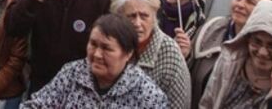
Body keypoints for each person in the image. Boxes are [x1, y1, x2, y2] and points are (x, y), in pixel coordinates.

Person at [21, 13, 169, 108]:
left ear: (128, 53)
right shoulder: (72, 73)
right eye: (93, 44)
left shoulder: (147, 95)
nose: (97, 54)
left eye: (106, 48)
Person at [200, 0, 272, 109]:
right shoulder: (228, 62)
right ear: (247, 39)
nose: (262, 52)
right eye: (257, 42)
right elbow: (206, 104)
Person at [110, 0, 191, 109]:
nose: (138, 23)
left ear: (154, 17)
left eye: (144, 16)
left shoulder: (170, 55)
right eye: (131, 16)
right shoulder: (110, 44)